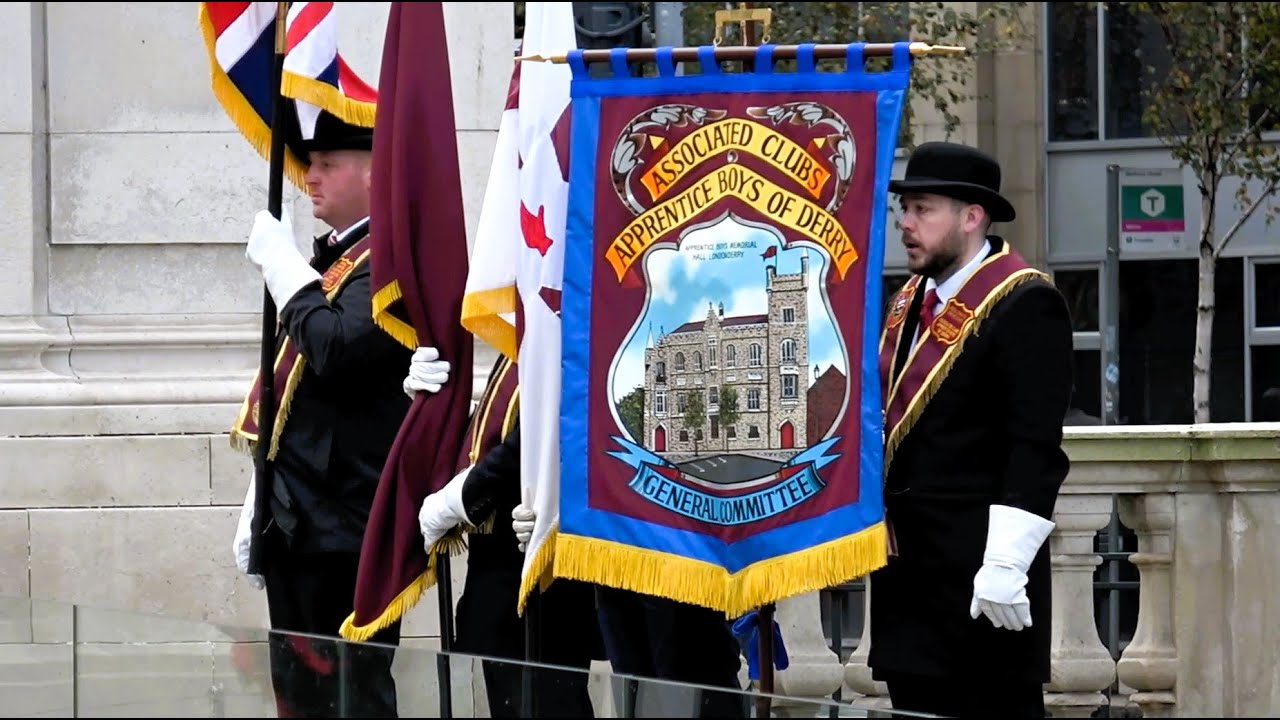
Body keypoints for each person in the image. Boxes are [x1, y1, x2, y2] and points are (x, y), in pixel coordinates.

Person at [230, 109, 452, 718]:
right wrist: (263, 493)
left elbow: (334, 347)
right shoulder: (334, 259)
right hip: (301, 518)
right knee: (299, 696)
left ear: (375, 174)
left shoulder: (387, 262)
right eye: (309, 166)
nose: (311, 179)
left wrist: (284, 270)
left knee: (353, 695)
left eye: (327, 165)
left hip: (348, 522)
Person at [869, 141, 1074, 718]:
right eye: (904, 209)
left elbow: (1033, 447)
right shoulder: (909, 299)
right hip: (908, 585)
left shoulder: (1027, 302)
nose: (906, 224)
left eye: (923, 209)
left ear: (972, 216)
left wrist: (1007, 563)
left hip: (981, 584)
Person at [415, 352, 603, 717]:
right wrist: (441, 410)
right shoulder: (517, 337)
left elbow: (541, 434)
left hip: (546, 582)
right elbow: (493, 432)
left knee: (553, 704)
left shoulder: (560, 325)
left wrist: (463, 497)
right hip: (500, 580)